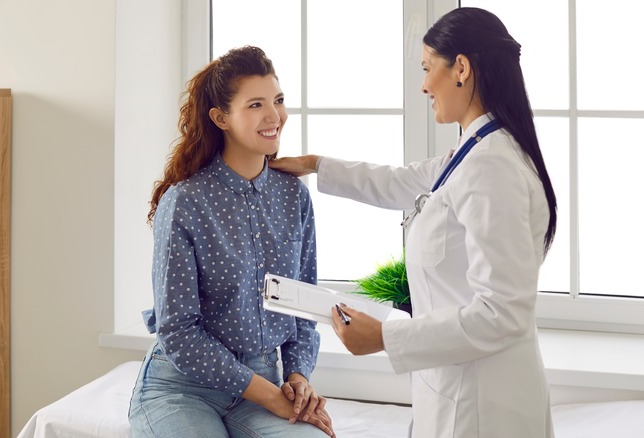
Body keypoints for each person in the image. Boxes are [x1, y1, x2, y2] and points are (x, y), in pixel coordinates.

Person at [269, 7, 557, 438]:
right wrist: (314, 165)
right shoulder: (474, 148)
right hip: (455, 387)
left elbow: (503, 313)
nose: (424, 85)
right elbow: (401, 182)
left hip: (481, 406)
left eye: (427, 69)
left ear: (460, 68)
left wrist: (386, 338)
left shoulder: (493, 166)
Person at [128, 45, 335, 438]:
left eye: (278, 100)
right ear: (221, 118)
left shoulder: (294, 197)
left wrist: (297, 377)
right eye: (256, 104)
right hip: (182, 389)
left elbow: (304, 305)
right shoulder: (185, 201)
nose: (274, 116)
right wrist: (270, 396)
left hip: (265, 383)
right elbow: (178, 331)